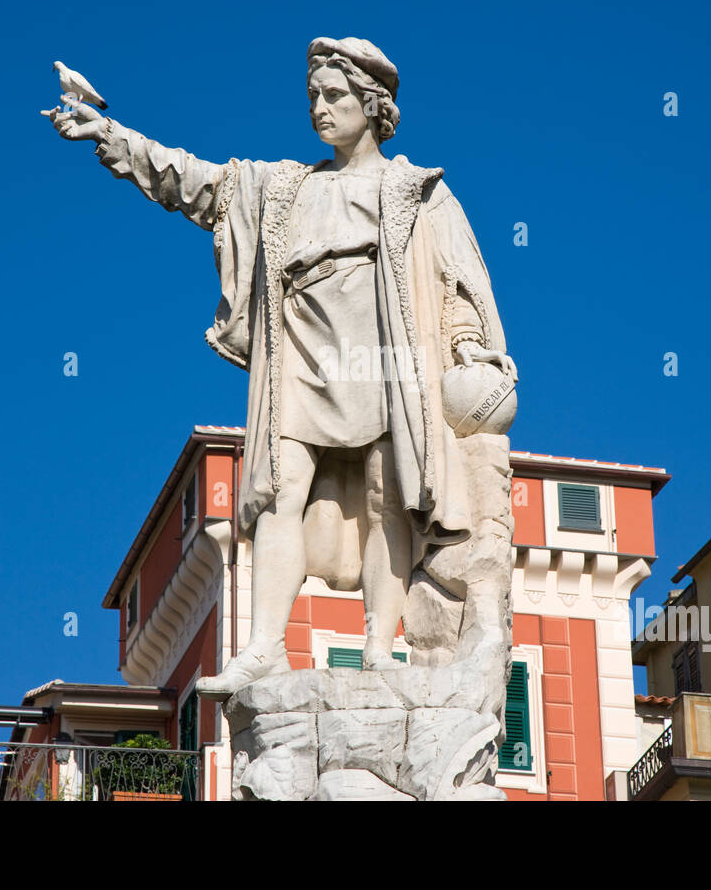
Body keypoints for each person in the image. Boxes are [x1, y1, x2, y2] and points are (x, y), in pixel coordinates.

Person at [45, 37, 515, 698]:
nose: (320, 109)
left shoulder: (416, 192)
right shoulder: (282, 188)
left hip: (384, 357)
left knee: (388, 498)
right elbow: (194, 182)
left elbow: (455, 290)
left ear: (371, 103)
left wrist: (469, 352)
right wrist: (112, 138)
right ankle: (266, 645)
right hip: (300, 354)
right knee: (278, 490)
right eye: (313, 97)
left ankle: (380, 648)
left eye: (335, 96)